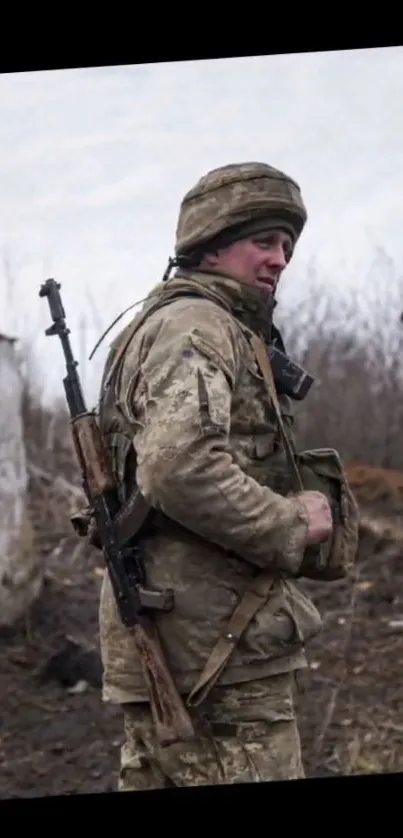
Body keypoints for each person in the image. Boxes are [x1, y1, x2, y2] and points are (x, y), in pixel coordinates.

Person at [92, 162, 359, 789]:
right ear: (212, 242)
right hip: (217, 653)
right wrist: (291, 520)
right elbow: (180, 467)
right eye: (263, 241)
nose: (279, 259)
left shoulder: (175, 325)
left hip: (186, 636)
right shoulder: (197, 326)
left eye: (287, 246)